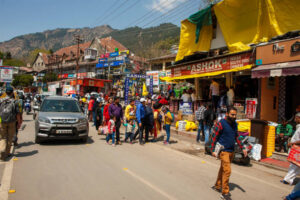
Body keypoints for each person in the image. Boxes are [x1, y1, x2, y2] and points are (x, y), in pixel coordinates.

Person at [211, 106, 246, 200]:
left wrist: (243, 148)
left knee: (223, 169)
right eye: (232, 114)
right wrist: (213, 150)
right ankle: (225, 192)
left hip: (231, 151)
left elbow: (237, 137)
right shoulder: (221, 123)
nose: (234, 116)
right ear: (227, 114)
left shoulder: (235, 124)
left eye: (235, 115)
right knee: (227, 170)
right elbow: (214, 136)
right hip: (223, 151)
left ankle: (217, 185)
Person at [0, 87, 22, 160]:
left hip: (2, 122)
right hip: (12, 122)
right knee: (9, 138)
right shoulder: (15, 102)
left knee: (3, 137)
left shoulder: (1, 100)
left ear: (6, 93)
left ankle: (2, 150)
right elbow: (18, 114)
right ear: (12, 93)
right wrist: (19, 123)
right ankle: (7, 153)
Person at [281, 113, 300, 185]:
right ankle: (288, 179)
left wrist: (292, 143)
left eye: (296, 118)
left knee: (294, 165)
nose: (295, 120)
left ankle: (287, 180)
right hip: (295, 148)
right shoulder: (298, 127)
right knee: (294, 165)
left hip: (297, 149)